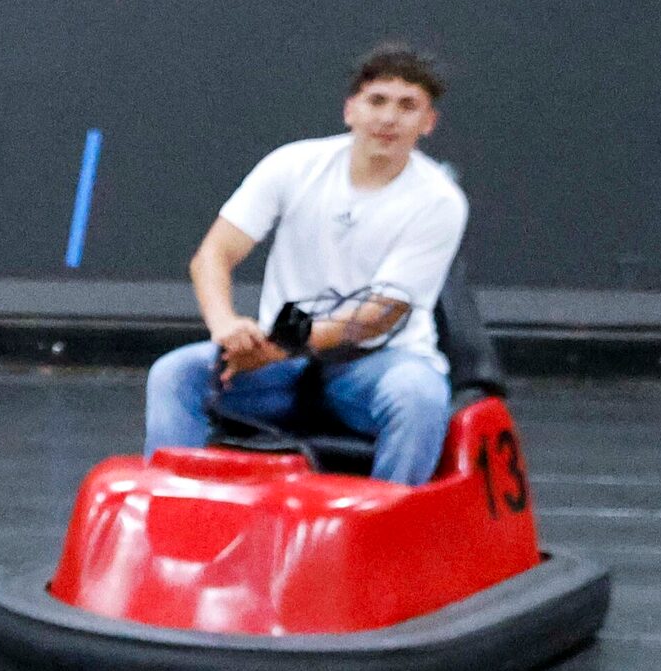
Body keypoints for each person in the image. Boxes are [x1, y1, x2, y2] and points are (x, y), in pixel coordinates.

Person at [144, 43, 469, 486]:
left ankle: (383, 532)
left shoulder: (438, 201)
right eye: (377, 101)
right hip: (278, 366)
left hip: (375, 367)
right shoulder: (293, 165)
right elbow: (213, 255)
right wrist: (225, 326)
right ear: (350, 110)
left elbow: (379, 316)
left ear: (428, 123)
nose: (389, 118)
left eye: (407, 106)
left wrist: (282, 345)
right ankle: (173, 518)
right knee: (176, 374)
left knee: (418, 396)